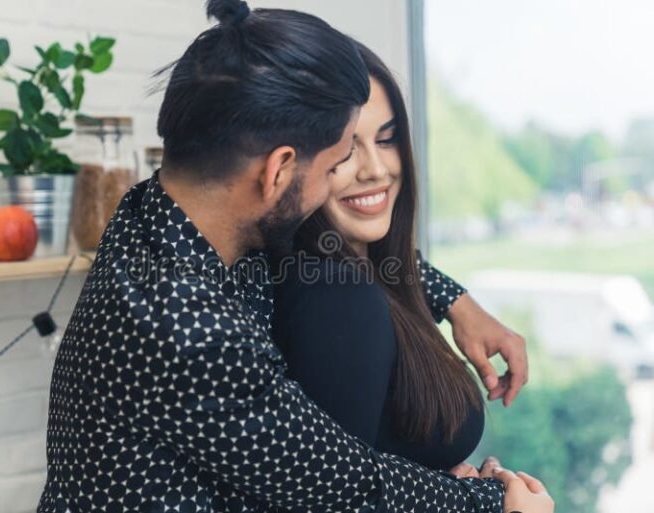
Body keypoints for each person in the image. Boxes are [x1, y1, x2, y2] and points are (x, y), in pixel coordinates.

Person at [36, 1, 553, 512]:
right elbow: (341, 485)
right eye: (334, 167)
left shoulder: (153, 216)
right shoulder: (190, 326)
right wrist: (490, 503)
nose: (348, 179)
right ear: (278, 171)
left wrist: (453, 300)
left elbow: (317, 246)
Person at [271, 40, 529, 479]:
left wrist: (455, 300)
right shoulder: (336, 299)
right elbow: (340, 501)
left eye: (387, 140)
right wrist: (478, 504)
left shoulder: (363, 273)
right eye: (347, 150)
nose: (376, 168)